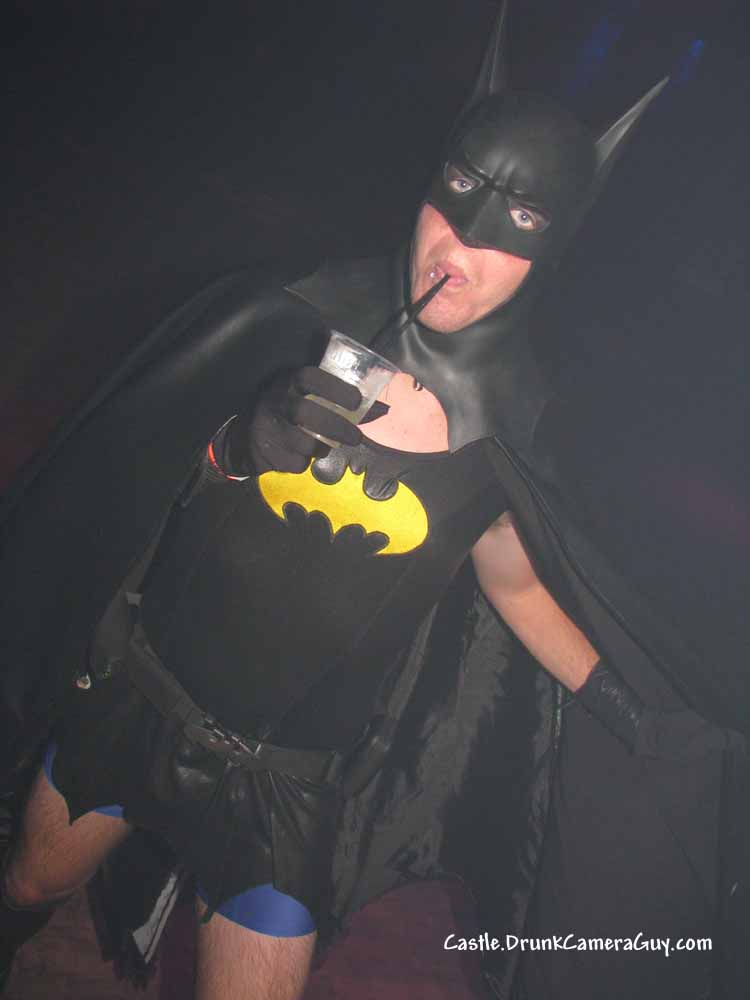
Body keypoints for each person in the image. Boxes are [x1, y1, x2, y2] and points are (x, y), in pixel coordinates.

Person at [1, 4, 748, 998]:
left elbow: (517, 584)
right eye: (461, 187)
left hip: (284, 785)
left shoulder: (518, 428)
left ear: (557, 244)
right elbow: (133, 471)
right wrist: (233, 444)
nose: (466, 234)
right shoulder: (290, 313)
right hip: (142, 695)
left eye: (523, 218)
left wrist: (627, 707)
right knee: (29, 882)